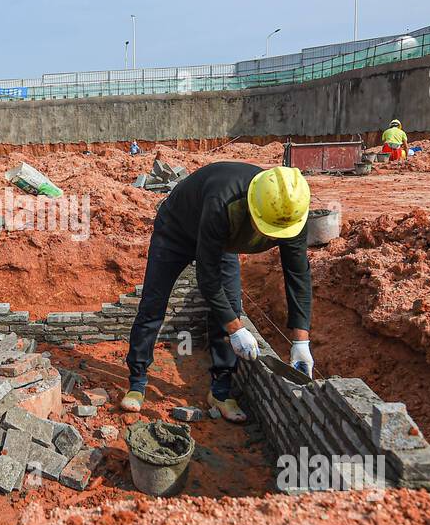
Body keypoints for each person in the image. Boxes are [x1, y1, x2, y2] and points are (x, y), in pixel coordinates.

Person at [121, 163, 313, 422]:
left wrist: (301, 343)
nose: (272, 236)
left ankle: (221, 392)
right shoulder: (223, 202)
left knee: (230, 306)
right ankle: (138, 380)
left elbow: (298, 277)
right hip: (176, 231)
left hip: (222, 243)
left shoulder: (291, 215)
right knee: (154, 303)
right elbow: (207, 278)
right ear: (253, 209)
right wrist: (236, 329)